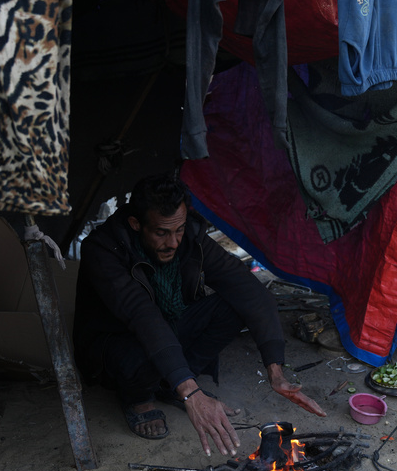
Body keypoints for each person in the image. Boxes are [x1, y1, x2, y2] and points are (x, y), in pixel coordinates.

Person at [73, 172, 326, 455]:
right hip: (115, 341)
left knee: (234, 304)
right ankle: (139, 397)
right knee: (148, 345)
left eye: (178, 229)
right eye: (161, 232)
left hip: (164, 328)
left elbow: (249, 290)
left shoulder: (190, 238)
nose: (173, 242)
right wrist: (193, 394)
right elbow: (142, 317)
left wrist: (276, 371)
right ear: (136, 224)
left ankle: (174, 383)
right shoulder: (102, 249)